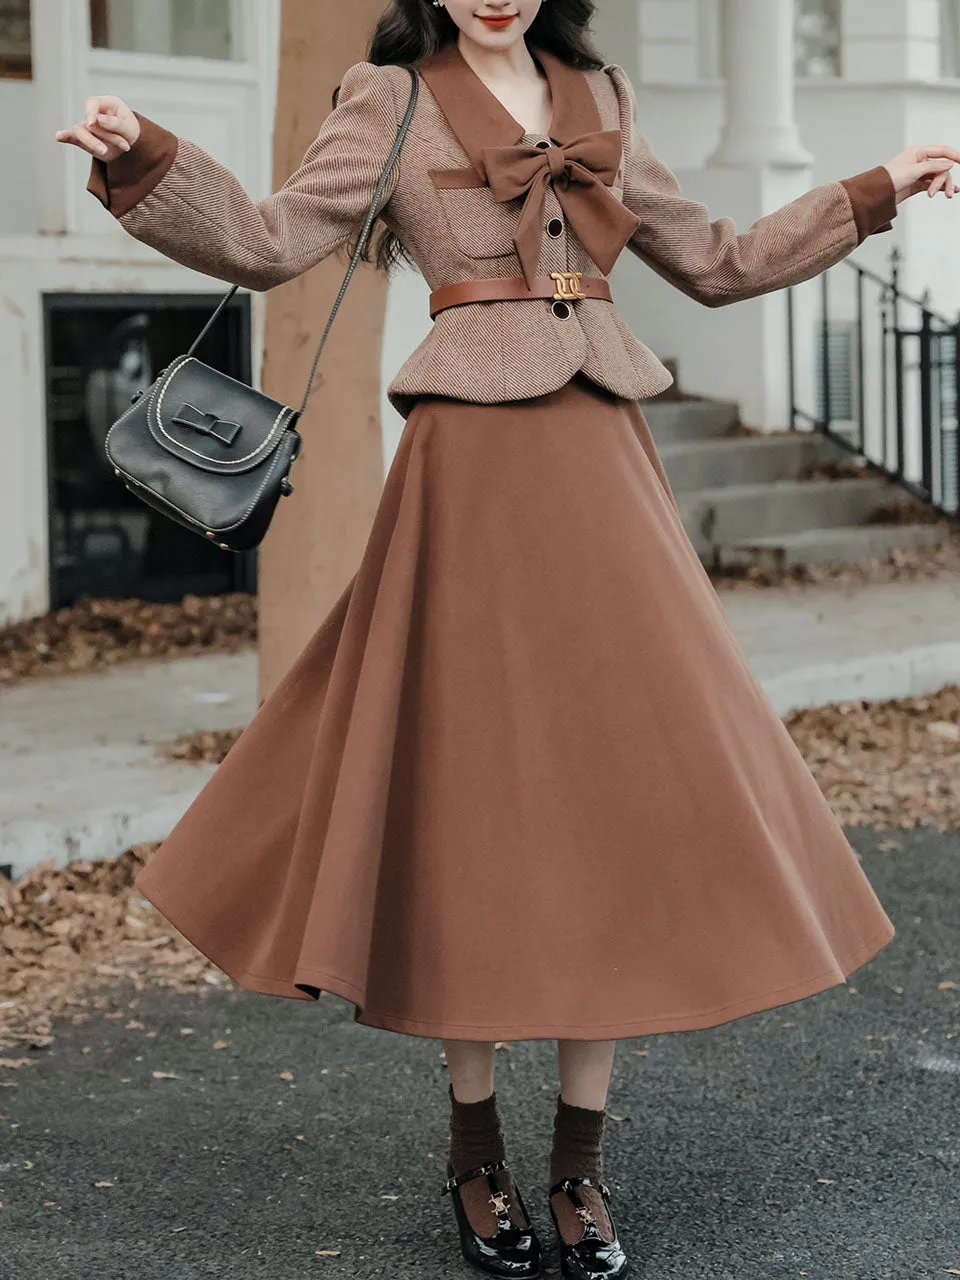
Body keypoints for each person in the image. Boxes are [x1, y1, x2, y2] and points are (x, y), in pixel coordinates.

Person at [57, 2, 958, 1276]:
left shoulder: (603, 93)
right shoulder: (389, 97)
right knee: (467, 796)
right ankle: (474, 1149)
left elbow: (715, 255)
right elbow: (265, 242)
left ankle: (580, 1163)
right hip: (468, 470)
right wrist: (141, 151)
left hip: (605, 462)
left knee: (627, 791)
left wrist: (877, 187)